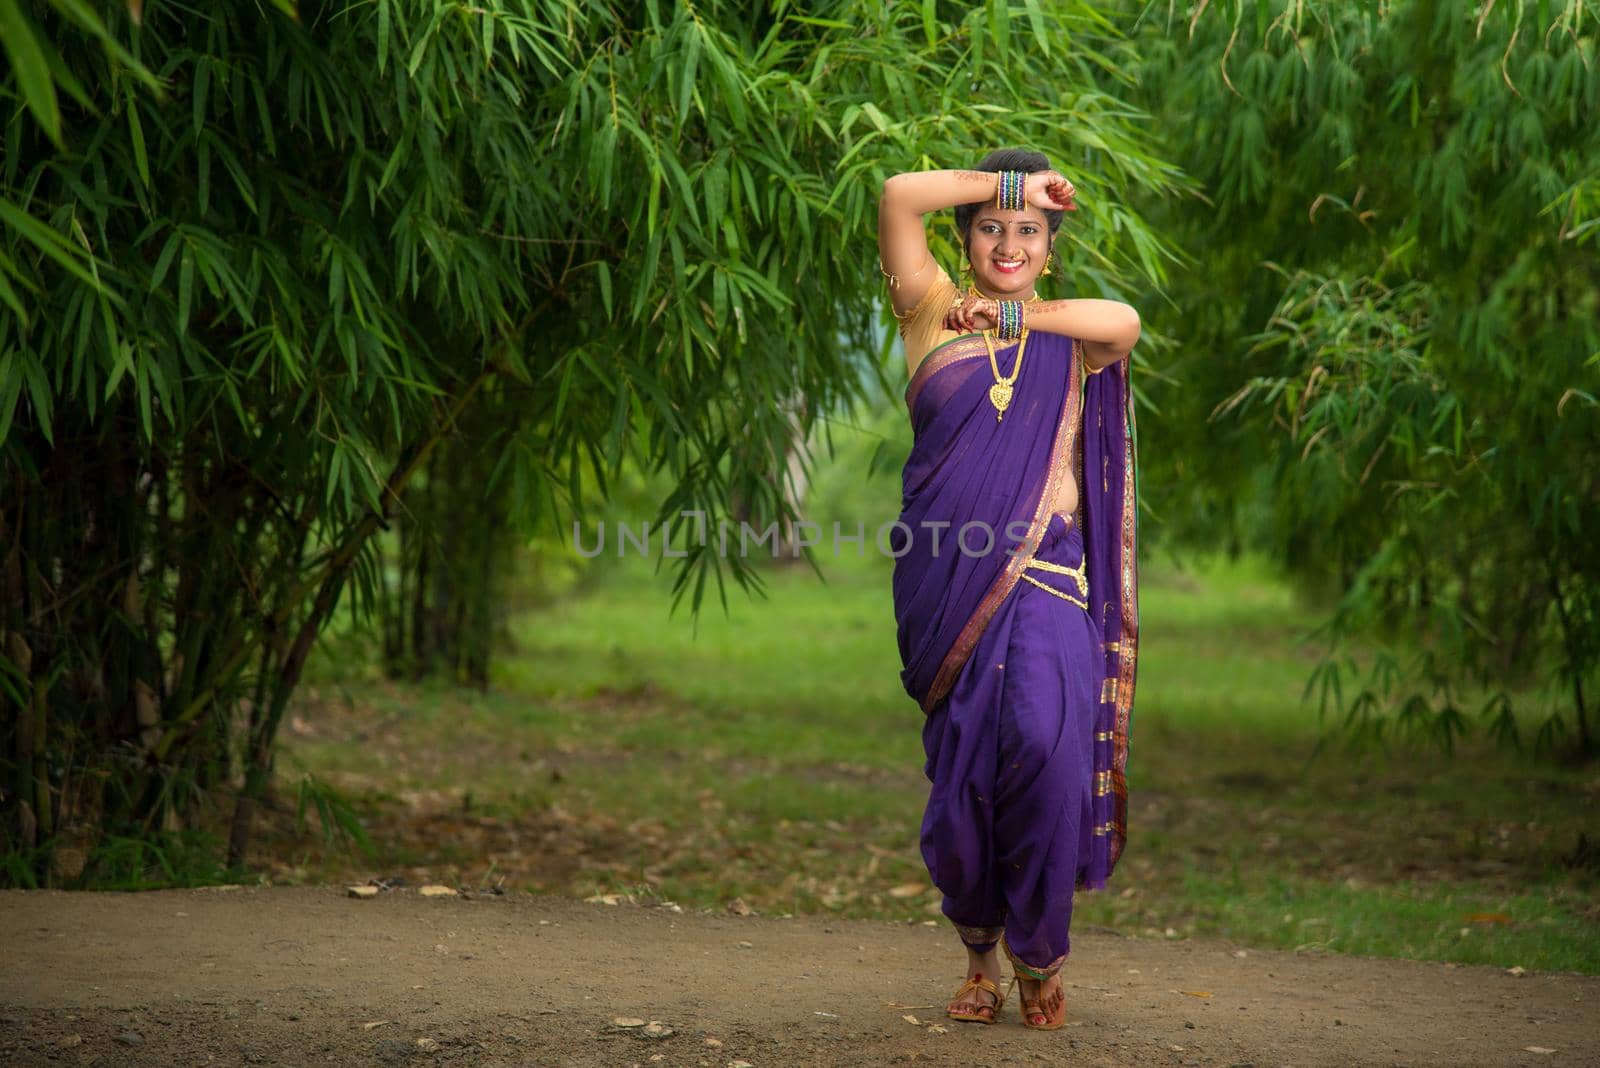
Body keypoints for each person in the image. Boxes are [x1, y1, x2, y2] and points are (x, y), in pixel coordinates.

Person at [878, 149, 1141, 1031]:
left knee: (1043, 747)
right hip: (946, 579)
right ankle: (980, 961)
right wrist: (1014, 184)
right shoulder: (928, 311)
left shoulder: (1066, 336)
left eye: (1029, 232)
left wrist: (1020, 317)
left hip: (1048, 581)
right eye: (992, 227)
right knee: (962, 780)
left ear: (1049, 251)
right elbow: (898, 194)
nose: (1009, 241)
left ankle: (1040, 956)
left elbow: (1126, 321)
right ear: (966, 235)